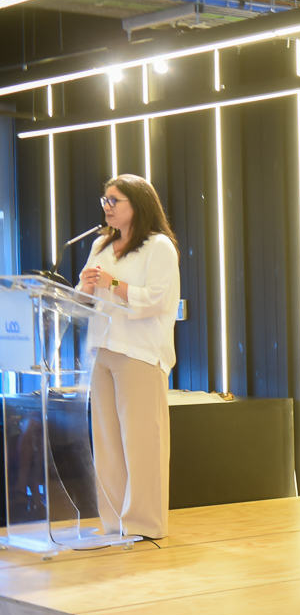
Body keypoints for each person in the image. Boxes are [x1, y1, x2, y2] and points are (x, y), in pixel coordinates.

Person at [79, 174, 180, 541]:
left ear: (137, 204)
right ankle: (114, 523)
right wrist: (85, 287)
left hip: (138, 352)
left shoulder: (158, 246)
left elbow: (157, 299)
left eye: (114, 200)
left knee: (142, 443)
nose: (106, 207)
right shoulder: (101, 245)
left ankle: (144, 524)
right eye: (104, 200)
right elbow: (83, 300)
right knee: (107, 443)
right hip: (102, 349)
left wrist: (111, 283)